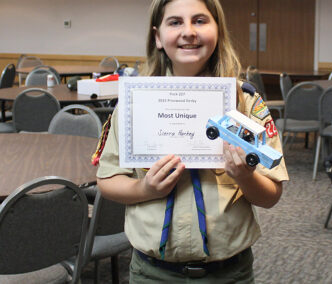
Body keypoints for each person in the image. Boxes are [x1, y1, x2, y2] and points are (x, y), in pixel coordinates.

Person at [96, 0, 289, 282]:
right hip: (153, 273)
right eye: (175, 22)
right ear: (158, 37)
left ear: (218, 31)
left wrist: (245, 177)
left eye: (200, 20)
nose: (189, 31)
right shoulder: (133, 105)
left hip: (228, 273)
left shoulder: (245, 104)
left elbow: (271, 196)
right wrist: (145, 188)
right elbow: (107, 180)